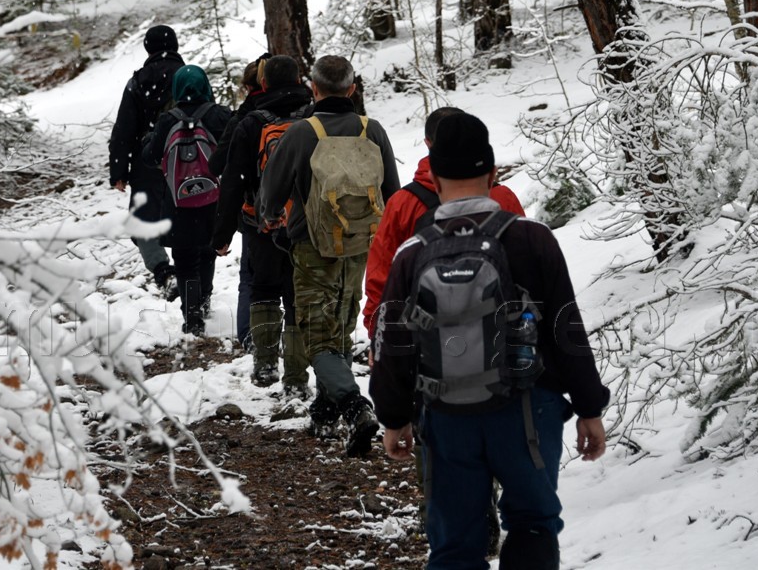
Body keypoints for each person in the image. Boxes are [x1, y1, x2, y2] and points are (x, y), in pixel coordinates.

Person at [370, 112, 609, 570]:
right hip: (526, 411)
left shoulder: (412, 253)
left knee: (455, 543)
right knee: (532, 522)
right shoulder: (532, 238)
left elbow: (393, 342)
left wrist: (394, 417)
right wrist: (589, 408)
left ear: (434, 179)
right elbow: (566, 328)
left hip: (445, 417)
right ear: (494, 173)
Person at [259, 55, 401, 456]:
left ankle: (355, 407)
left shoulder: (303, 133)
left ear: (314, 88)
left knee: (317, 336)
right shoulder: (372, 131)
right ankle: (324, 410)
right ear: (353, 89)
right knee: (339, 324)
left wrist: (269, 219)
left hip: (312, 247)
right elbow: (393, 192)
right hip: (360, 247)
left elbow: (271, 194)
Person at [362, 106, 526, 343]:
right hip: (499, 340)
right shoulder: (503, 198)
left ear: (428, 143)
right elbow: (527, 272)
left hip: (429, 345)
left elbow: (380, 276)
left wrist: (380, 336)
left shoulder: (402, 203)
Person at [211, 55, 313, 395]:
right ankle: (297, 378)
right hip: (306, 224)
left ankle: (266, 364)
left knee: (264, 288)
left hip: (260, 223)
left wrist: (222, 234)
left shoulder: (251, 122)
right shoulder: (314, 117)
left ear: (264, 83)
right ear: (300, 81)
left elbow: (232, 182)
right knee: (299, 297)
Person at [142, 65, 232, 335]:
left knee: (183, 258)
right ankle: (204, 301)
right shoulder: (219, 115)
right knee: (207, 251)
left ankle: (191, 315)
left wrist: (149, 141)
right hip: (213, 197)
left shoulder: (168, 120)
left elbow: (151, 156)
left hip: (178, 201)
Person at [108, 25, 183, 291]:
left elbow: (124, 129)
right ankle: (191, 277)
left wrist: (119, 171)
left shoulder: (137, 82)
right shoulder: (188, 77)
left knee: (143, 222)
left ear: (148, 48)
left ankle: (164, 271)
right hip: (187, 158)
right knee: (189, 217)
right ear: (174, 45)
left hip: (147, 161)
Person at [209, 55, 270, 350]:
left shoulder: (245, 120)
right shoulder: (305, 111)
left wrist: (222, 234)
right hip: (299, 214)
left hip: (256, 212)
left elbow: (220, 168)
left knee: (252, 279)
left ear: (250, 87)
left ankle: (251, 339)